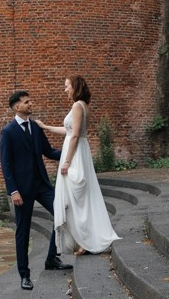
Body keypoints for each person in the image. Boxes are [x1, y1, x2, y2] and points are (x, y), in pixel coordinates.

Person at [36, 75, 120, 256]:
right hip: (77, 151)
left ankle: (86, 240)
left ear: (75, 87)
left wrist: (66, 161)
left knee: (77, 199)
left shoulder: (77, 106)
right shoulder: (82, 106)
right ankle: (83, 240)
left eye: (67, 86)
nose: (65, 89)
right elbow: (68, 132)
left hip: (75, 155)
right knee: (77, 199)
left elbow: (74, 136)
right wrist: (46, 127)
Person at [0, 89, 73, 290]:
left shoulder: (36, 127)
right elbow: (6, 164)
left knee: (61, 212)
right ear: (17, 107)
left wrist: (71, 155)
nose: (31, 104)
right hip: (21, 190)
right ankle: (24, 275)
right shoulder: (8, 132)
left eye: (30, 101)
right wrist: (13, 191)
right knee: (22, 231)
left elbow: (48, 152)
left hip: (41, 184)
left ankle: (51, 259)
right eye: (27, 102)